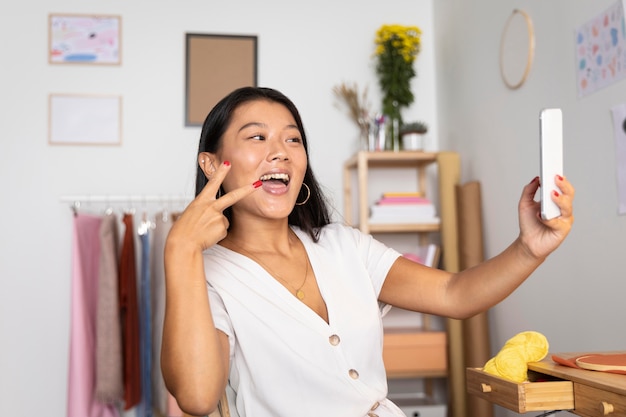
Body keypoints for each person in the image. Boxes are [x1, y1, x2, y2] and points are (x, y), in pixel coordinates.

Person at [160, 87, 575, 417]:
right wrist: (180, 248)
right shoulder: (207, 273)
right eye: (257, 137)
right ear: (212, 165)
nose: (281, 151)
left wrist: (529, 248)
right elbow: (197, 396)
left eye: (293, 139)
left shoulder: (343, 245)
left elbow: (455, 294)